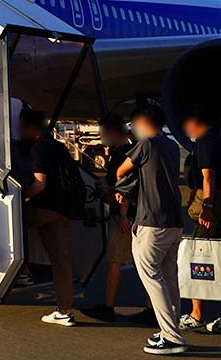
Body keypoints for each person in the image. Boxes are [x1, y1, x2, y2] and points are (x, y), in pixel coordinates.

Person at [115, 104, 186, 355]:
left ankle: (171, 335)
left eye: (133, 125)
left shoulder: (146, 145)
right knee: (168, 277)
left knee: (151, 277)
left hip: (151, 220)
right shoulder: (171, 145)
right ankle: (172, 328)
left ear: (143, 123)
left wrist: (123, 189)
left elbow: (121, 170)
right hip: (174, 219)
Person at [180, 110, 221, 335]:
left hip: (213, 207)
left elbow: (208, 176)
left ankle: (196, 314)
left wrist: (207, 205)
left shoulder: (204, 141)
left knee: (199, 258)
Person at [18, 107, 76, 327]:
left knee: (11, 226)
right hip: (62, 210)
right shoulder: (59, 147)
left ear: (31, 127)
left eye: (22, 126)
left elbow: (39, 184)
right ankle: (64, 310)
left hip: (43, 208)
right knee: (61, 261)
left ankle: (22, 271)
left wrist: (22, 198)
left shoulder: (38, 148)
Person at [81, 113, 137, 323]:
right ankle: (152, 308)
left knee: (114, 261)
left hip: (123, 215)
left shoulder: (122, 155)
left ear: (112, 132)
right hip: (137, 214)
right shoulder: (135, 149)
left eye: (104, 133)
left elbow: (125, 186)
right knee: (146, 265)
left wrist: (122, 212)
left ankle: (108, 307)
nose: (102, 137)